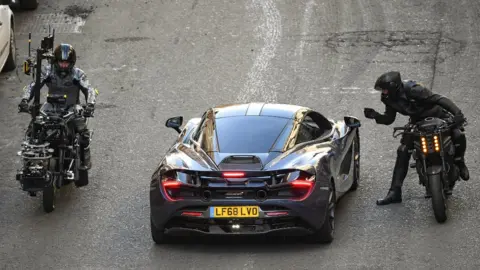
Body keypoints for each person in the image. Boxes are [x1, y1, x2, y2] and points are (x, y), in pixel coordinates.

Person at [363, 71, 469, 205]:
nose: (383, 92)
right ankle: (395, 192)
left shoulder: (414, 90)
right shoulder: (388, 98)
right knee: (402, 151)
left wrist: (457, 114)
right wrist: (376, 116)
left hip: (438, 116)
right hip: (417, 122)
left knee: (458, 133)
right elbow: (389, 118)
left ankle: (460, 162)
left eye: (385, 89)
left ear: (393, 86)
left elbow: (439, 99)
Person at [18, 43, 98, 172]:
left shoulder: (78, 74)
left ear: (72, 62)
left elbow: (89, 89)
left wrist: (90, 105)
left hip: (71, 107)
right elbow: (33, 85)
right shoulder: (47, 71)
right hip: (50, 106)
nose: (64, 65)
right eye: (61, 62)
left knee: (83, 133)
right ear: (56, 61)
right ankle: (29, 160)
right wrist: (25, 100)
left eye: (66, 63)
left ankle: (85, 158)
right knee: (33, 127)